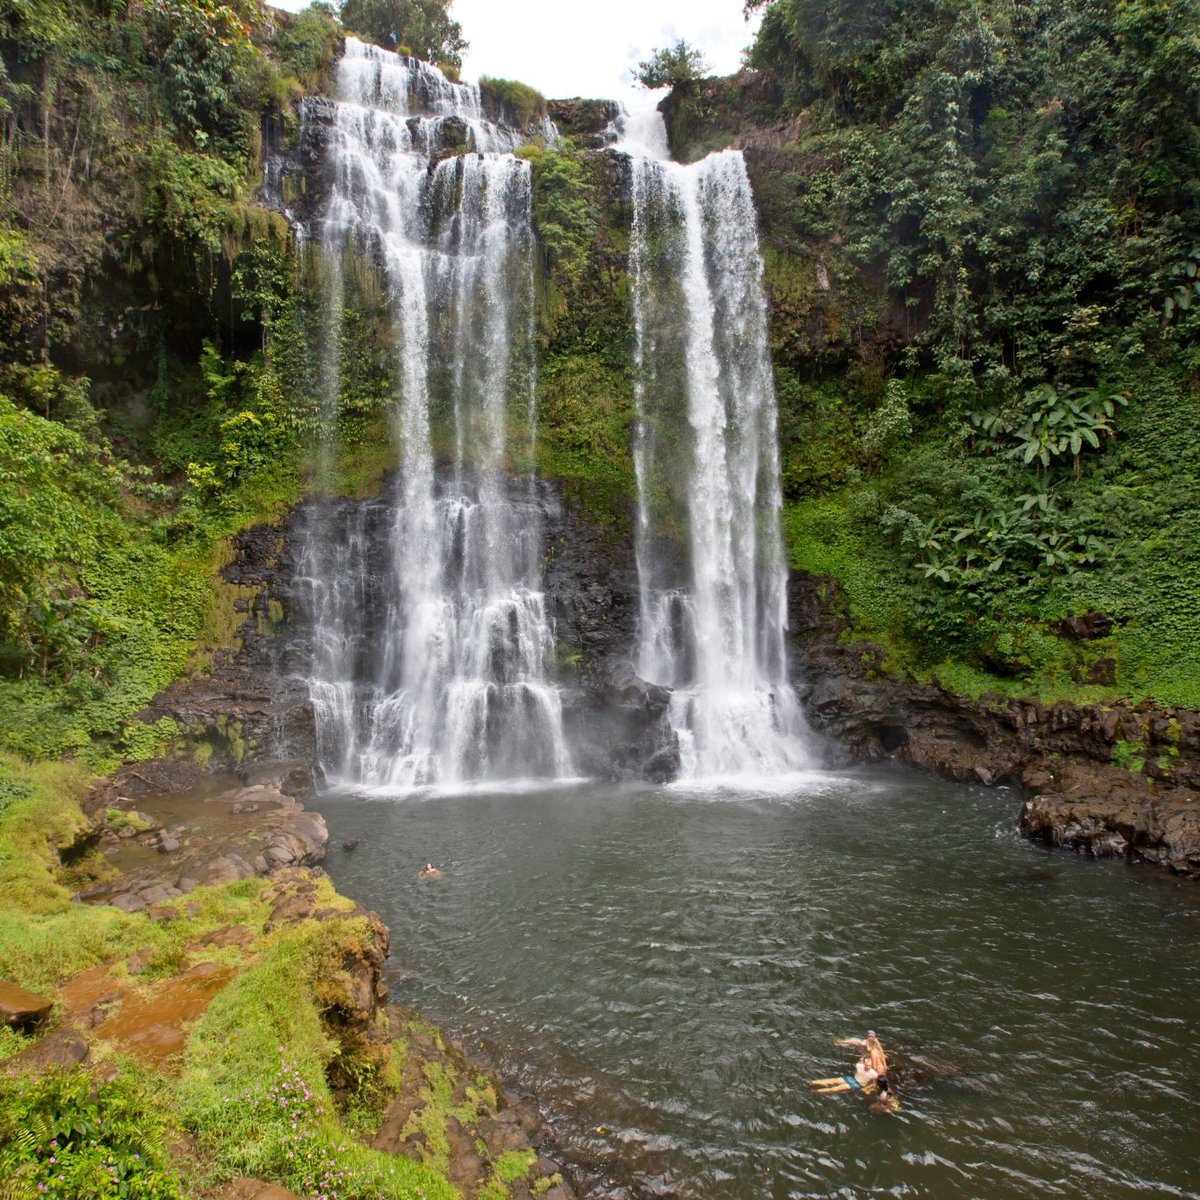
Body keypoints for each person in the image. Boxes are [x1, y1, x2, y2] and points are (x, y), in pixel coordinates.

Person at [809, 1055, 878, 1094]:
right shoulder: (859, 1065)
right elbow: (849, 1066)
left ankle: (816, 1091)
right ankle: (812, 1082)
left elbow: (875, 1083)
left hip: (856, 1084)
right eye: (866, 1065)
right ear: (864, 1063)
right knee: (834, 1081)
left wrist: (867, 1089)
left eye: (869, 1065)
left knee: (835, 1089)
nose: (867, 1066)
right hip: (852, 1078)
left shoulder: (874, 1074)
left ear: (871, 1065)